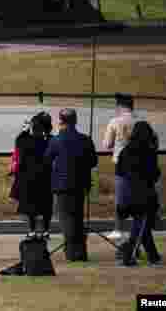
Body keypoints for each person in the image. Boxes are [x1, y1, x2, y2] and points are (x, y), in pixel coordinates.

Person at [44, 108, 98, 262]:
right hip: (81, 184)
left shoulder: (56, 140)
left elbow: (47, 160)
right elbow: (93, 161)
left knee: (66, 220)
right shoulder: (86, 139)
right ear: (75, 121)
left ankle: (72, 253)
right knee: (78, 219)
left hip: (62, 186)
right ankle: (81, 252)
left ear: (61, 121)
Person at [116, 121, 162, 266]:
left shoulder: (125, 151)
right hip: (144, 195)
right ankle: (128, 255)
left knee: (143, 226)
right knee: (140, 225)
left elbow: (119, 174)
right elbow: (154, 175)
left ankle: (153, 255)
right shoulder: (149, 152)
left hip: (127, 193)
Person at [13, 112, 53, 238]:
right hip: (46, 179)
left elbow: (18, 140)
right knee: (47, 206)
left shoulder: (25, 141)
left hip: (29, 180)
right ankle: (46, 230)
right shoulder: (51, 141)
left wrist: (24, 130)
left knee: (30, 208)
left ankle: (31, 230)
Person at [102, 93, 135, 240]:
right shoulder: (139, 121)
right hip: (140, 165)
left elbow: (107, 144)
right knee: (137, 195)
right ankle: (136, 226)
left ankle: (118, 228)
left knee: (120, 197)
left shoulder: (115, 121)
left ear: (120, 106)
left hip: (121, 165)